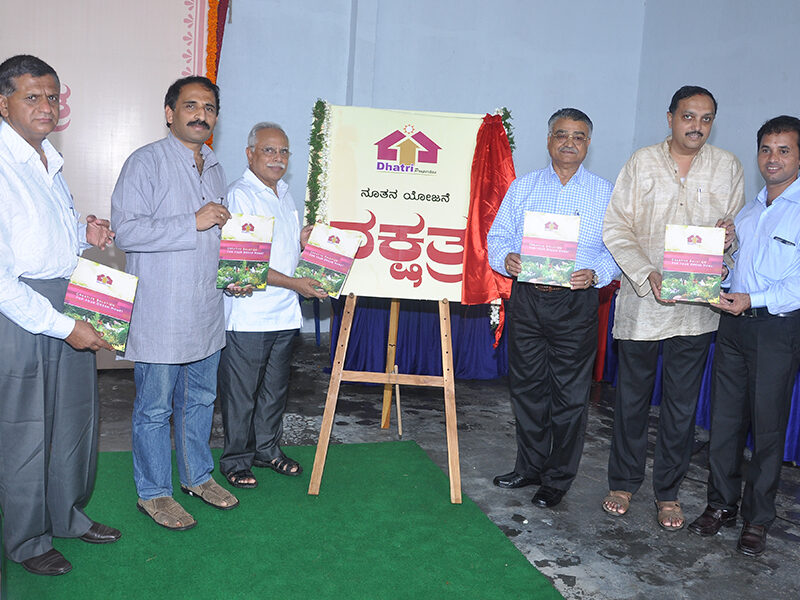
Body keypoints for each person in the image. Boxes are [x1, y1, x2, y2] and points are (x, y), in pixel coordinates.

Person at [601, 86, 744, 530]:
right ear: (670, 118)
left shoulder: (728, 167)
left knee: (681, 407)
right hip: (643, 303)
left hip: (695, 310)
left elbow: (735, 236)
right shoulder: (641, 162)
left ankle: (668, 493)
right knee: (631, 402)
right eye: (688, 116)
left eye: (705, 118)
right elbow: (615, 226)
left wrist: (731, 237)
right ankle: (623, 483)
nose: (696, 126)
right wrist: (647, 273)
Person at [0, 54, 120, 576]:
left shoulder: (49, 159)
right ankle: (28, 540)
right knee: (25, 428)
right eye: (32, 96)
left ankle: (68, 516)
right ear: (3, 103)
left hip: (66, 298)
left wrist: (82, 235)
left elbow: (45, 240)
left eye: (52, 96)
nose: (46, 106)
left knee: (74, 419)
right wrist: (65, 326)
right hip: (20, 311)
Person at [111, 76, 237, 531]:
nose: (201, 115)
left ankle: (197, 476)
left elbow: (220, 236)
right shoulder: (145, 162)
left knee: (201, 399)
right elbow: (126, 231)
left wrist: (237, 273)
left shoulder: (216, 168)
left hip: (206, 307)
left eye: (209, 107)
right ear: (170, 113)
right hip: (161, 311)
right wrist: (192, 221)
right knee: (154, 408)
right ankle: (153, 492)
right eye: (191, 105)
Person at [487, 108, 619, 509]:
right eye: (561, 134)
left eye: (578, 136)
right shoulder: (524, 187)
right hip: (528, 297)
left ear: (588, 144)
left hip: (575, 302)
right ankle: (529, 467)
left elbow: (617, 249)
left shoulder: (604, 192)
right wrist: (505, 258)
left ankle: (557, 478)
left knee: (570, 396)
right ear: (548, 140)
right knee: (527, 390)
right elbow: (497, 236)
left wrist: (596, 274)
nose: (569, 143)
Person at [688, 115, 800, 556]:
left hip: (776, 329)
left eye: (784, 150)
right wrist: (719, 261)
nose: (773, 158)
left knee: (767, 429)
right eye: (766, 149)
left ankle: (757, 519)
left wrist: (753, 299)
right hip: (732, 326)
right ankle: (721, 504)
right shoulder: (748, 212)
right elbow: (736, 273)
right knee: (725, 422)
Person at [217, 122, 327, 488]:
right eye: (269, 150)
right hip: (249, 313)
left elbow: (279, 248)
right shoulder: (240, 195)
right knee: (242, 394)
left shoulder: (284, 193)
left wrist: (302, 241)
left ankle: (266, 450)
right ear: (250, 154)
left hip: (283, 311)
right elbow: (246, 263)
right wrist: (296, 284)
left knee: (274, 391)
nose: (277, 158)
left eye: (283, 152)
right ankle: (236, 460)